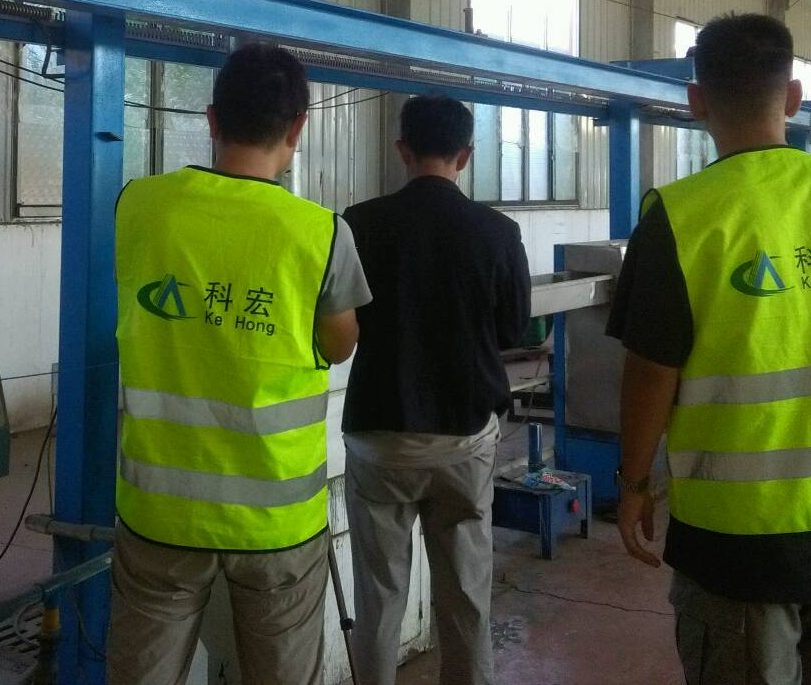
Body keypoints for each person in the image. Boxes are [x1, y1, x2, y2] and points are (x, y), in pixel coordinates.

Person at [608, 13, 811, 685]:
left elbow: (651, 372)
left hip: (734, 532)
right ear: (795, 97)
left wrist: (633, 484)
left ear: (696, 101)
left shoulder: (681, 214)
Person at [108, 43, 370, 685]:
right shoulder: (321, 233)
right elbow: (340, 345)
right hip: (276, 521)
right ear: (298, 126)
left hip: (161, 513)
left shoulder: (138, 205)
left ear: (212, 119)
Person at [341, 93, 531, 685]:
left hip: (378, 435)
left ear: (403, 150)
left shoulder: (357, 223)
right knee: (466, 594)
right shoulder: (498, 232)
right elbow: (513, 330)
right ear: (466, 155)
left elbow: (340, 326)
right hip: (463, 437)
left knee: (379, 597)